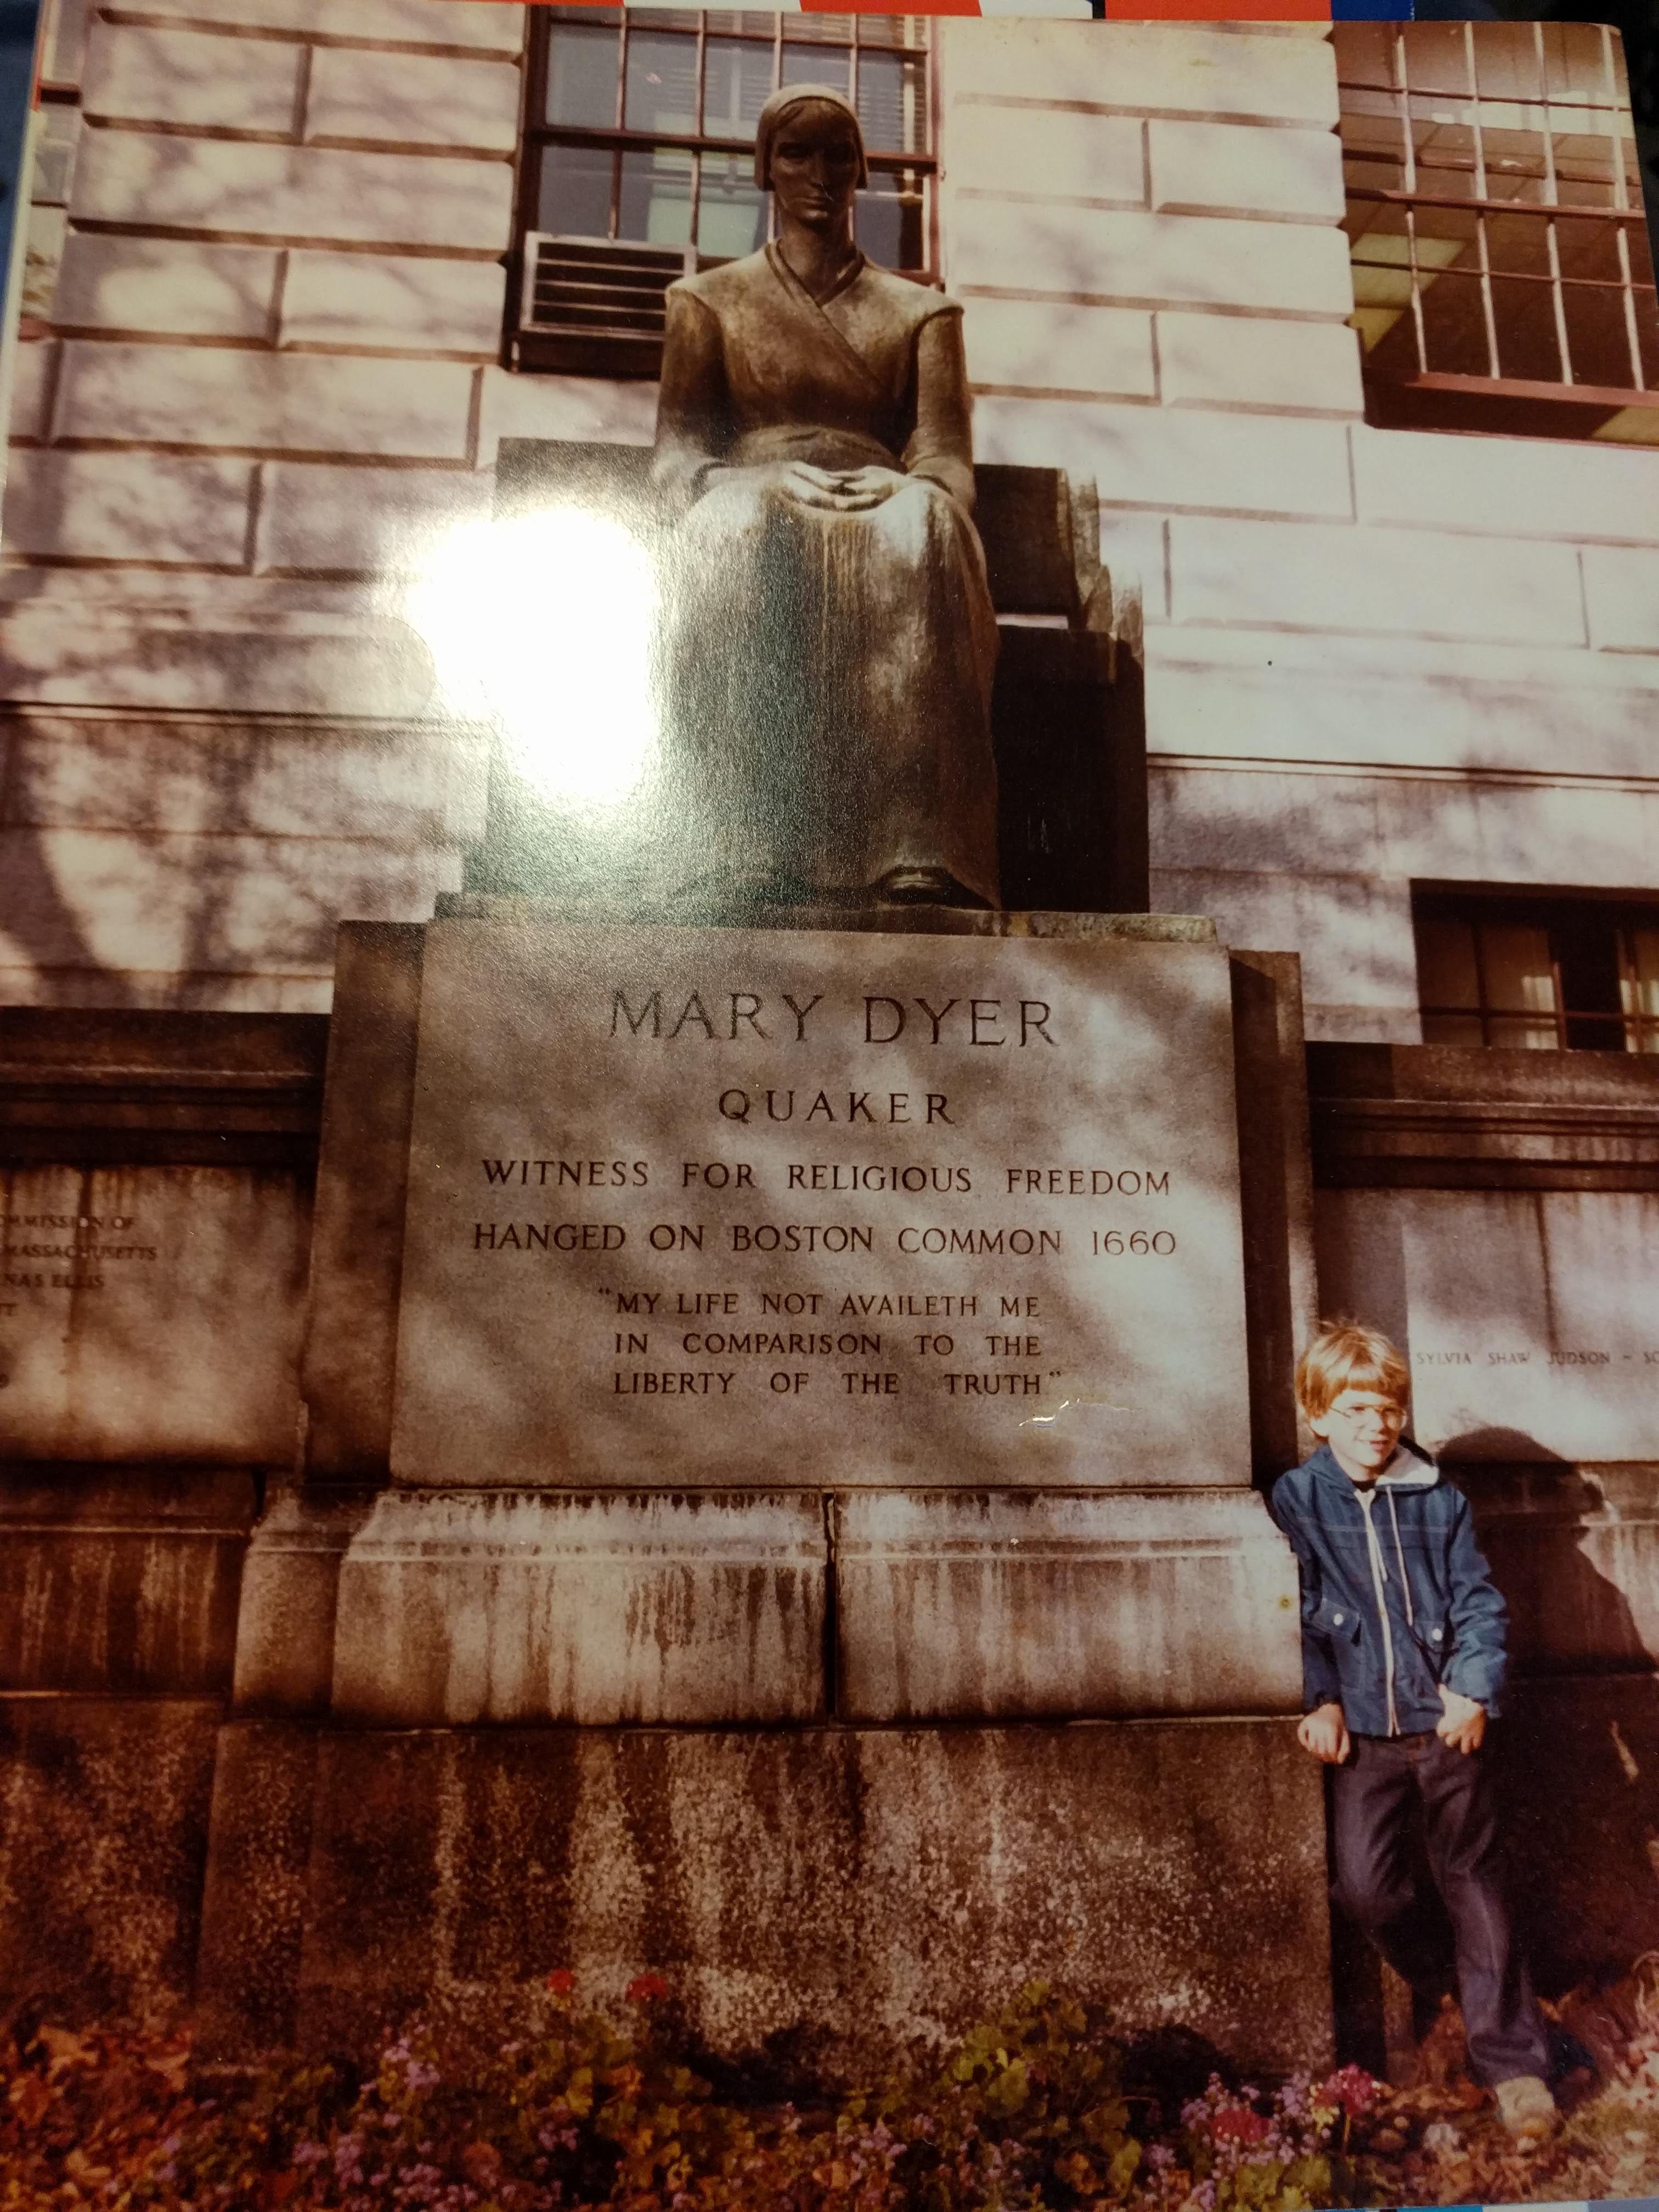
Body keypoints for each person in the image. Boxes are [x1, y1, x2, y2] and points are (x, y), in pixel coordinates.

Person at [648, 82, 1000, 912]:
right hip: (752, 489)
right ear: (766, 168)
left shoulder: (922, 311)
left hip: (882, 493)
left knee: (922, 527)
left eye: (839, 154)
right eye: (798, 152)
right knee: (735, 527)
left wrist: (903, 483)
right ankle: (732, 843)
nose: (820, 173)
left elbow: (947, 460)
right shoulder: (709, 300)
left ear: (862, 171)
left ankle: (920, 846)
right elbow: (676, 458)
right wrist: (749, 476)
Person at [1270, 1319, 1559, 2143]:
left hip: (1447, 1727)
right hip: (1362, 1735)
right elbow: (1295, 1616)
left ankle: (1517, 2066)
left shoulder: (1438, 1497)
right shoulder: (1297, 1500)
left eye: (1390, 1408)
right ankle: (1453, 1983)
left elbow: (1478, 1603)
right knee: (1368, 1886)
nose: (1377, 1425)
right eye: (1357, 1409)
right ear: (1319, 1415)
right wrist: (1318, 1697)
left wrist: (1472, 1687)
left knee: (1477, 1881)